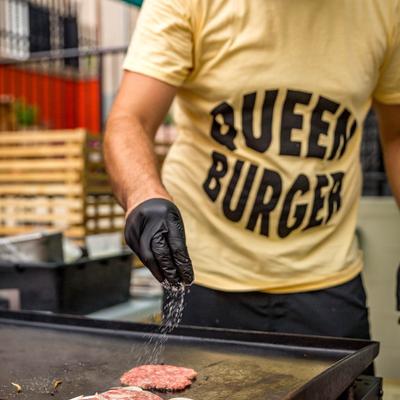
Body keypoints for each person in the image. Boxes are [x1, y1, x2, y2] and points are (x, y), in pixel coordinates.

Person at [104, 0, 400, 341]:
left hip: (328, 278)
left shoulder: (384, 8)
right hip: (204, 277)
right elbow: (130, 120)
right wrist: (143, 193)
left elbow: (396, 135)